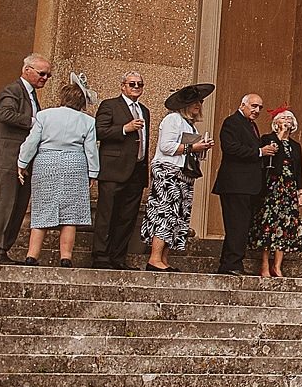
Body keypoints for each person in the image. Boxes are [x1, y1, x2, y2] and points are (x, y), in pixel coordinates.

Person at [15, 81, 98, 267]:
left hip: (47, 161)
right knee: (71, 213)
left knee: (42, 207)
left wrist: (22, 162)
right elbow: (91, 150)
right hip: (74, 163)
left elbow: (32, 142)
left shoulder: (44, 116)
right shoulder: (88, 121)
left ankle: (32, 255)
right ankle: (66, 257)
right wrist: (93, 172)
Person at [0, 52, 51, 264]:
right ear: (27, 70)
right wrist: (35, 122)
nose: (45, 78)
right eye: (42, 73)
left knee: (19, 204)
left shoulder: (30, 94)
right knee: (7, 201)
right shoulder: (13, 90)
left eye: (48, 75)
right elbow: (4, 114)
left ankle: (2, 249)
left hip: (22, 157)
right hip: (8, 156)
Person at [140, 84, 214, 272]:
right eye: (194, 101)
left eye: (200, 101)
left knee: (177, 217)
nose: (198, 104)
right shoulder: (173, 119)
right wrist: (192, 148)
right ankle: (154, 258)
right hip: (168, 173)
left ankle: (163, 258)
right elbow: (166, 147)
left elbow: (190, 152)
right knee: (165, 214)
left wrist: (201, 147)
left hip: (184, 176)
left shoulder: (190, 126)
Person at [87, 71, 150, 270]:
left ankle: (118, 257)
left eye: (140, 84)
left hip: (137, 171)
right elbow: (99, 131)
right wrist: (125, 128)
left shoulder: (144, 110)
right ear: (122, 86)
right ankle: (101, 256)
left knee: (127, 217)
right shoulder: (110, 105)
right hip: (114, 170)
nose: (136, 87)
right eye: (132, 83)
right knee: (107, 214)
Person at [214, 93, 274, 275]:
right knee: (236, 225)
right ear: (243, 105)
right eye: (254, 106)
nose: (257, 110)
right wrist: (260, 152)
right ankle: (231, 264)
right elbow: (231, 148)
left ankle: (229, 263)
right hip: (235, 184)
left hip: (248, 185)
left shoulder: (251, 125)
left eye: (260, 108)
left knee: (241, 226)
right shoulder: (232, 122)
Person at [250, 107, 302, 278]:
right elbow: (274, 156)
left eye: (289, 118)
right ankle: (265, 265)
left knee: (286, 225)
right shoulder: (268, 139)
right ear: (276, 122)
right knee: (269, 224)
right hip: (273, 185)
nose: (287, 121)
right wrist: (281, 136)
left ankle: (278, 265)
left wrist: (300, 192)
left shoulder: (296, 146)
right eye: (283, 118)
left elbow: (299, 170)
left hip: (289, 187)